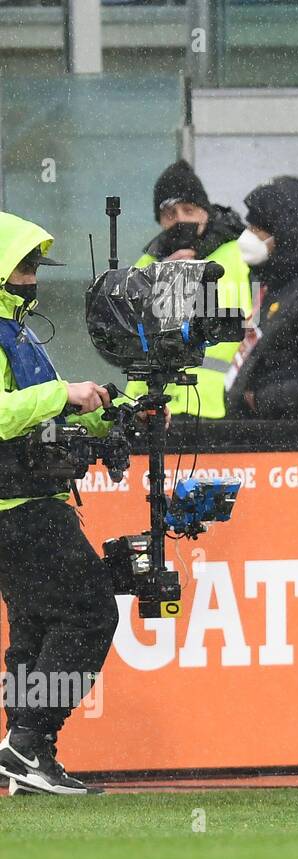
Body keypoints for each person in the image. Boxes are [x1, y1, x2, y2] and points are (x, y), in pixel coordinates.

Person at [0, 212, 162, 795]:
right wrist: (61, 393)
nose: (31, 277)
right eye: (23, 265)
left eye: (35, 265)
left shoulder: (16, 333)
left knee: (35, 629)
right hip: (18, 507)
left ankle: (29, 751)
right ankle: (25, 742)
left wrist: (113, 406)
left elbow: (52, 404)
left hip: (27, 500)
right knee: (91, 613)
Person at [133, 159, 252, 418]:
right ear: (160, 220)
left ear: (205, 212)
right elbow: (128, 333)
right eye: (170, 214)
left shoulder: (239, 254)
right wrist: (163, 277)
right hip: (155, 408)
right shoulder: (148, 263)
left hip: (220, 407)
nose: (180, 221)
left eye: (189, 210)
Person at [226, 175, 298, 420]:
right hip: (268, 433)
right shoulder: (278, 280)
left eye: (258, 229)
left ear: (288, 234)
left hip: (295, 441)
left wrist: (259, 400)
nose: (248, 236)